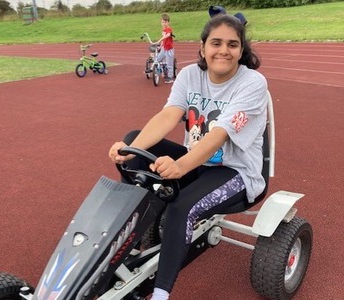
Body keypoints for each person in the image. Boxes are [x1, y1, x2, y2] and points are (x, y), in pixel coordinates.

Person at [109, 14, 268, 300]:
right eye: (216, 43)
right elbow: (169, 114)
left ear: (241, 50)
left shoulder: (253, 83)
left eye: (232, 45)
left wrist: (179, 166)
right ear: (203, 46)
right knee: (134, 140)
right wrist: (127, 150)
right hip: (196, 163)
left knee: (181, 207)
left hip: (235, 171)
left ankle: (160, 294)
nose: (223, 50)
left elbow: (219, 135)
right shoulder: (190, 74)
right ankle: (135, 227)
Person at [156, 13, 175, 84]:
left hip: (169, 49)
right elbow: (164, 40)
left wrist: (160, 39)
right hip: (164, 48)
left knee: (169, 64)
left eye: (165, 22)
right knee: (158, 59)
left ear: (168, 22)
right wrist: (161, 46)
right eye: (162, 22)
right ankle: (161, 69)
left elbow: (168, 35)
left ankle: (170, 77)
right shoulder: (163, 30)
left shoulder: (169, 29)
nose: (164, 23)